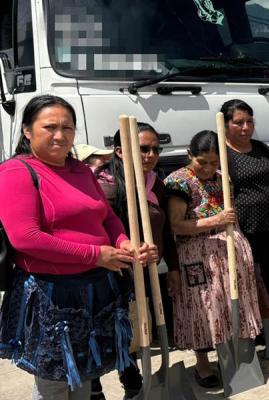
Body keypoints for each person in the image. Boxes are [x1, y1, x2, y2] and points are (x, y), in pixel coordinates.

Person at [0, 95, 155, 400]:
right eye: (50, 127)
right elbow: (26, 237)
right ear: (27, 131)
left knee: (84, 373)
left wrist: (125, 244)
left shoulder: (80, 170)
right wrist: (97, 254)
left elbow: (107, 217)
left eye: (67, 128)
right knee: (55, 383)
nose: (60, 135)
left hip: (95, 290)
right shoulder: (16, 172)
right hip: (51, 295)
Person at [164, 130, 262, 388]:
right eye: (202, 162)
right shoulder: (178, 182)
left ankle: (233, 355)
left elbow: (232, 217)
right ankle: (203, 364)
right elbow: (175, 225)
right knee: (203, 308)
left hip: (228, 251)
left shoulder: (222, 178)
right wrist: (214, 221)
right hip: (197, 255)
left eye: (214, 162)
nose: (208, 168)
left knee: (230, 305)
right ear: (189, 155)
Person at [91, 123, 180, 399]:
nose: (151, 155)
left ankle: (134, 385)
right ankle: (94, 390)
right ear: (120, 151)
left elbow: (165, 229)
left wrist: (173, 267)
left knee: (135, 332)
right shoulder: (104, 187)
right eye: (143, 149)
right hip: (108, 274)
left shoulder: (157, 183)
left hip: (145, 271)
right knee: (104, 333)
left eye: (155, 149)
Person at [219, 99, 269, 313]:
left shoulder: (261, 148)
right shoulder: (222, 154)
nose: (246, 127)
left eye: (249, 121)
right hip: (244, 227)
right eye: (239, 122)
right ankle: (255, 322)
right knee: (249, 275)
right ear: (226, 124)